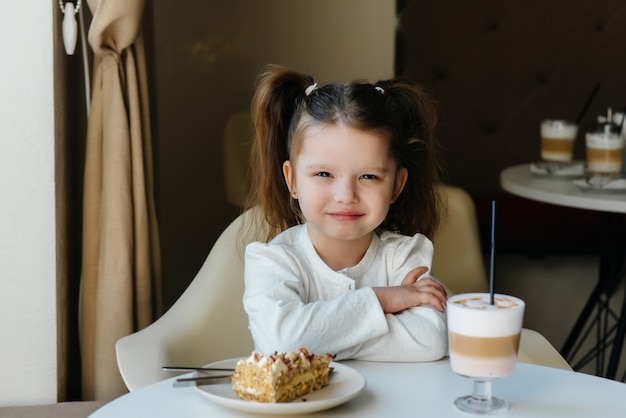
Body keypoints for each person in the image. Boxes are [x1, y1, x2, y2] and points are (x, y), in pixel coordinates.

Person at [242, 64, 448, 362]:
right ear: (292, 180)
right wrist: (383, 299)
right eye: (324, 174)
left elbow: (430, 340)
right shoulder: (272, 261)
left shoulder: (404, 255)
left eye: (368, 177)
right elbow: (280, 342)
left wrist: (314, 340)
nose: (346, 196)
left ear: (396, 185)